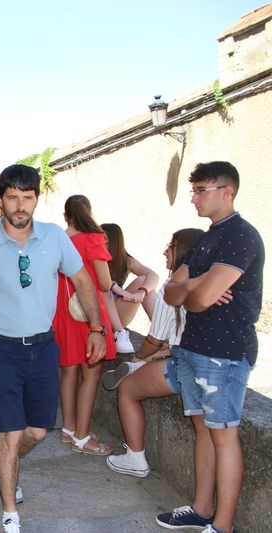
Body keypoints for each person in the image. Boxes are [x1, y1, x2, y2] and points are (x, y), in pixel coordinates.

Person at [0, 164, 106, 533]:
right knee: (10, 432)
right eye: (13, 197)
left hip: (43, 346)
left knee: (37, 431)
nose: (21, 206)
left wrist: (97, 327)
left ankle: (2, 466)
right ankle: (9, 512)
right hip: (1, 349)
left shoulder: (54, 237)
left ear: (36, 199)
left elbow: (83, 280)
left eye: (28, 198)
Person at [156, 162, 264, 533]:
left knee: (223, 434)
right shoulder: (206, 238)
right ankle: (202, 510)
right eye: (194, 190)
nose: (194, 198)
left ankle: (223, 525)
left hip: (225, 353)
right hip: (193, 348)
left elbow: (198, 299)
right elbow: (171, 292)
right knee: (204, 430)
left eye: (202, 190)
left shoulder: (241, 236)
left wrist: (192, 288)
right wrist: (197, 284)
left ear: (226, 191)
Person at [103, 228, 205, 478]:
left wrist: (140, 356)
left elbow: (153, 338)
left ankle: (135, 457)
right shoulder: (210, 283)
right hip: (202, 360)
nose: (164, 251)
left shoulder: (171, 289)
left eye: (170, 246)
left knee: (127, 390)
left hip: (181, 364)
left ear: (182, 251)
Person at [54, 195, 116, 456]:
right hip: (88, 313)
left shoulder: (59, 240)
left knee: (69, 371)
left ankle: (69, 429)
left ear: (66, 215)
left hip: (63, 311)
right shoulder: (93, 238)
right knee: (91, 374)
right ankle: (82, 435)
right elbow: (103, 283)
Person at [102, 222, 161, 353]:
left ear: (114, 242)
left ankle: (160, 331)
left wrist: (142, 291)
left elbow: (154, 275)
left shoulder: (126, 261)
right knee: (103, 287)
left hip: (116, 312)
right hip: (97, 315)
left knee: (143, 281)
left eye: (104, 240)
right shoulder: (94, 259)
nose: (99, 244)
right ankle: (119, 333)